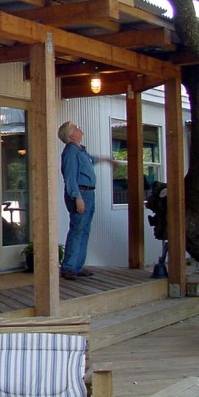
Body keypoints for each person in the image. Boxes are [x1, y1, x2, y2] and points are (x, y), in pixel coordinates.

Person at [58, 120, 115, 281]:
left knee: (84, 230)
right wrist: (77, 198)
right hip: (81, 193)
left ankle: (77, 266)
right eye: (76, 128)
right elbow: (69, 176)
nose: (80, 129)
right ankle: (68, 267)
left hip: (89, 193)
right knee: (77, 230)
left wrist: (107, 160)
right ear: (71, 135)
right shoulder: (70, 151)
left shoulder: (80, 151)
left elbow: (92, 159)